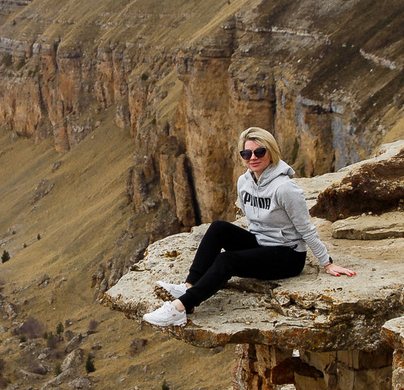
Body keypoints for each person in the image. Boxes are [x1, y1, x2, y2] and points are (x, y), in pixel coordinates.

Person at [142, 127, 355, 328]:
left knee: (227, 261)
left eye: (259, 152)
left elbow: (306, 229)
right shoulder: (243, 182)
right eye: (247, 153)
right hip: (261, 243)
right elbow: (252, 220)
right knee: (218, 228)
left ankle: (180, 308)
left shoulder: (285, 189)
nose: (253, 158)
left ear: (271, 152)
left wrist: (327, 263)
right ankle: (189, 287)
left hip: (287, 256)